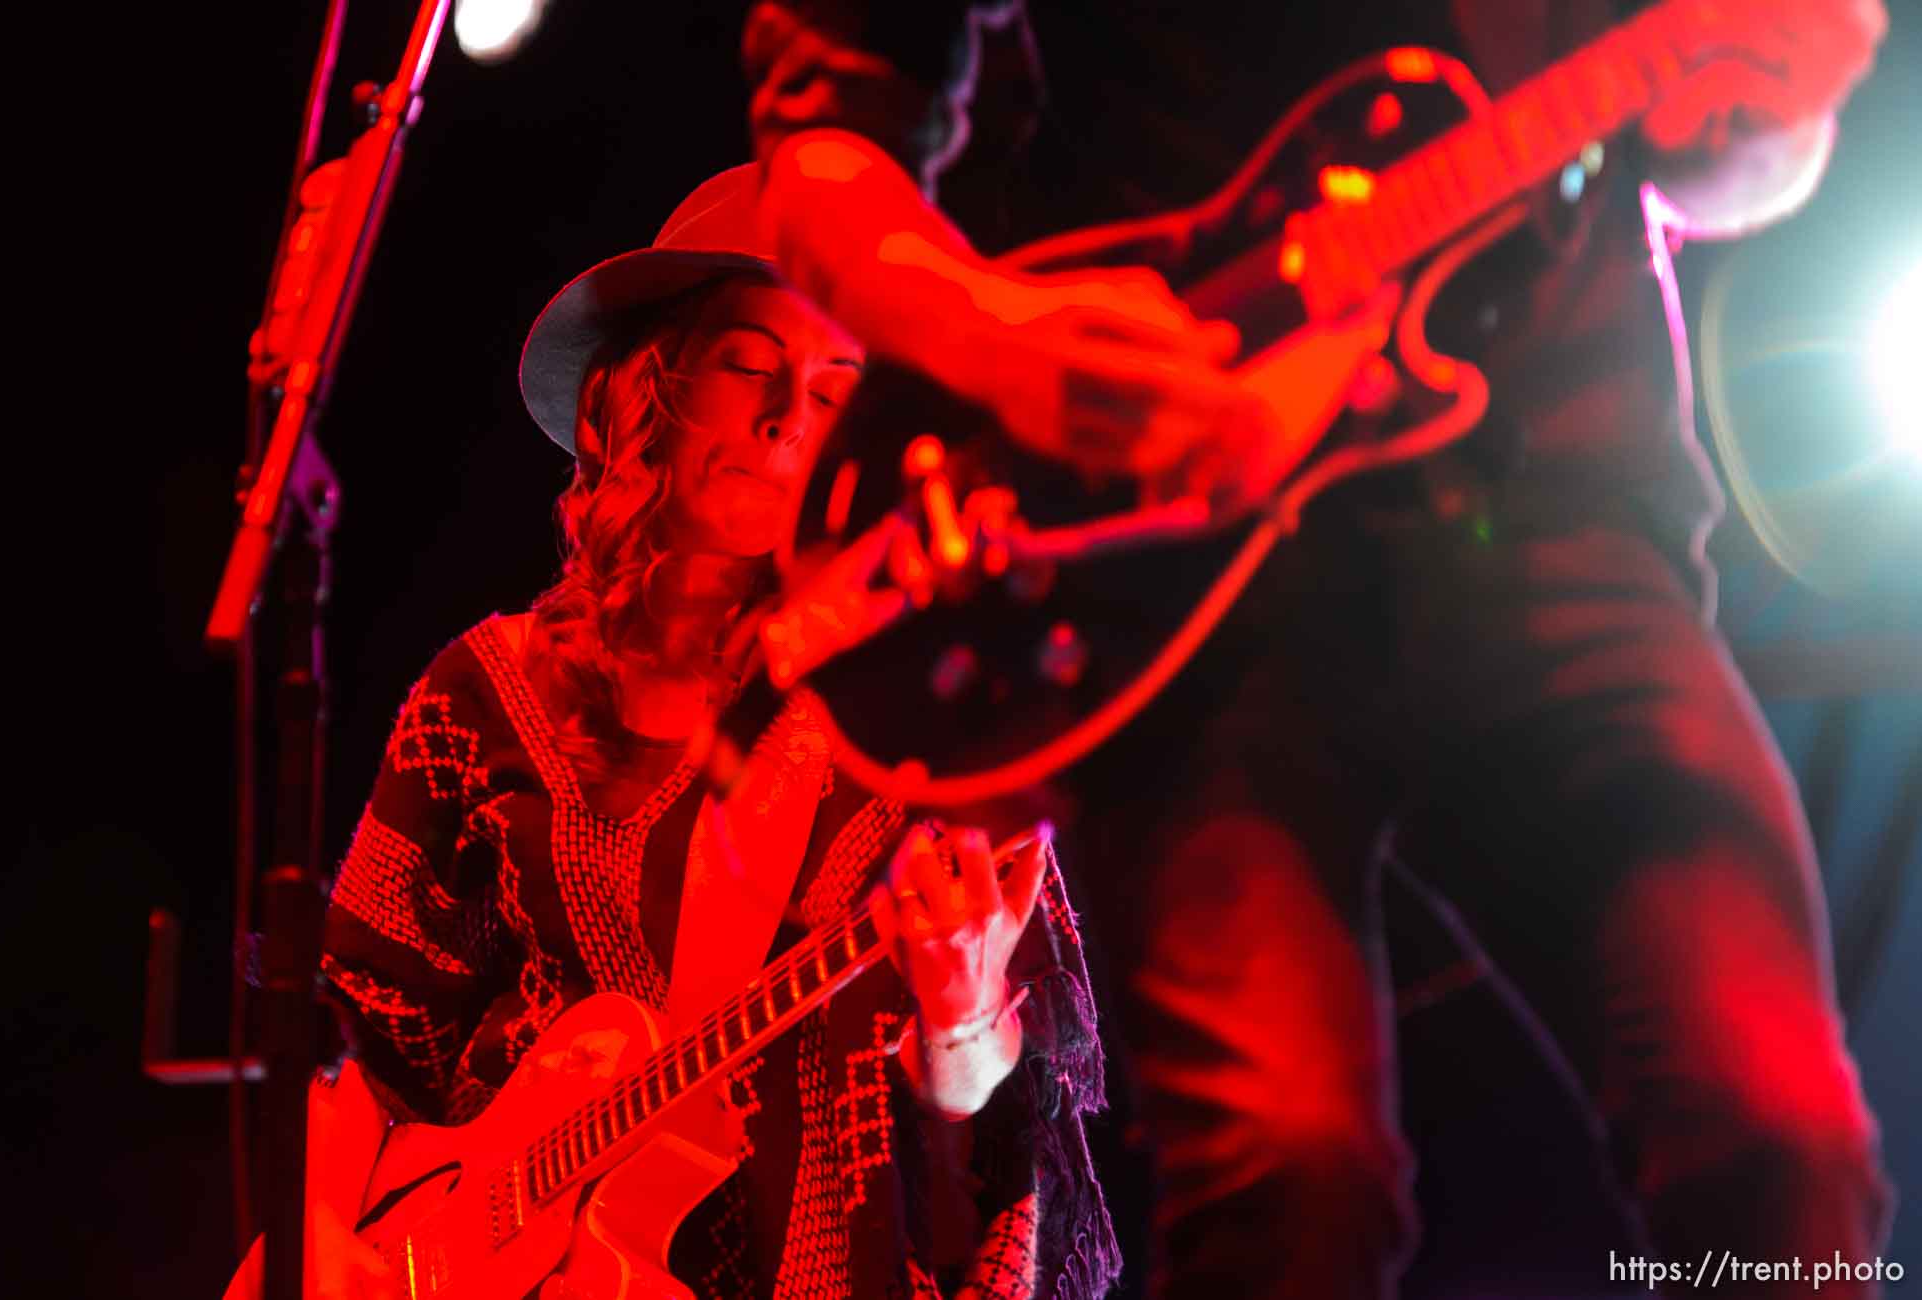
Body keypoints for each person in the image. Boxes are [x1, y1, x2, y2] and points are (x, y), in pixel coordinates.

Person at [732, 2, 1894, 1297]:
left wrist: (1753, 115)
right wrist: (988, 336)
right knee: (1286, 1182)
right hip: (1173, 572)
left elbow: (1713, 158)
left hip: (1555, 495)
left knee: (1777, 1137)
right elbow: (819, 155)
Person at [292, 166, 1122, 1300]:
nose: (786, 414)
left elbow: (996, 1132)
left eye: (836, 392)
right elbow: (352, 1034)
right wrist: (314, 1244)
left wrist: (965, 1012)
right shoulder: (486, 692)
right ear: (646, 390)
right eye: (747, 365)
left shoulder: (922, 731)